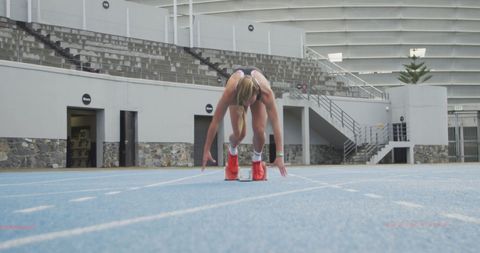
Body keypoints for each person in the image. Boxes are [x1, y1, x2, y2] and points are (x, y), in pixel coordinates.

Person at [201, 67, 288, 180]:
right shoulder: (230, 92)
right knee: (239, 134)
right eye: (244, 102)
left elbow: (276, 124)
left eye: (250, 101)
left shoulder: (266, 93)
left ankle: (257, 161)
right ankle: (232, 152)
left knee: (259, 131)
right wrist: (206, 149)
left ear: (256, 93)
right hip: (238, 94)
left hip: (253, 91)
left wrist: (279, 155)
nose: (247, 104)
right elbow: (215, 121)